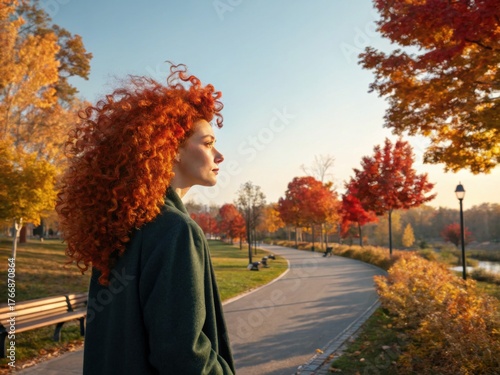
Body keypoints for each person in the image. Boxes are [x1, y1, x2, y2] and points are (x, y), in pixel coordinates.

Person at [56, 63, 235, 374]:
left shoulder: (120, 225)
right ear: (173, 149)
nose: (219, 156)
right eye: (207, 144)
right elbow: (183, 354)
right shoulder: (176, 231)